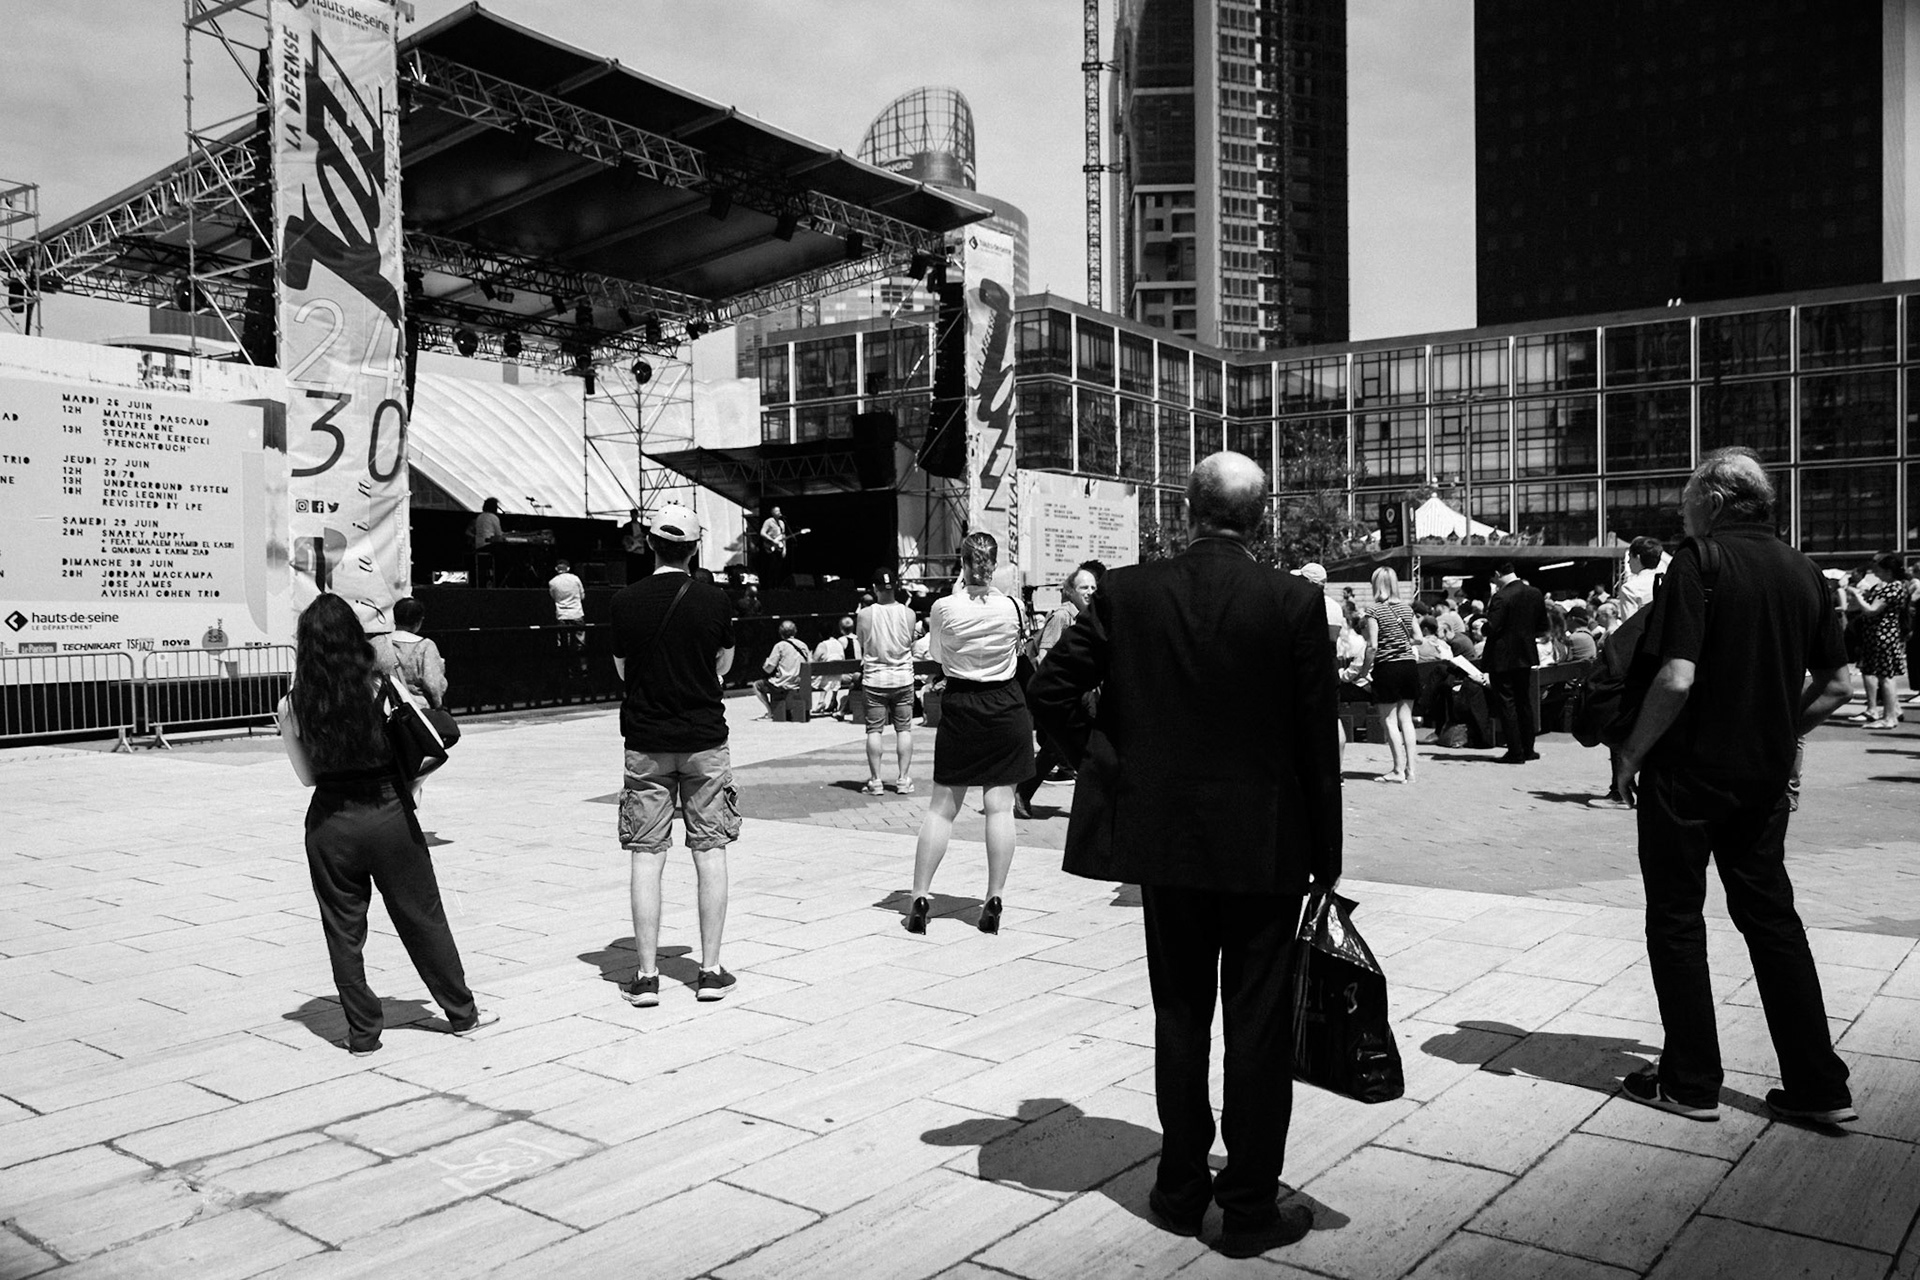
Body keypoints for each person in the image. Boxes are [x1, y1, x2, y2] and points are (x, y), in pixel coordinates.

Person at [1029, 452, 1340, 1259]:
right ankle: (1245, 1205)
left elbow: (1051, 689)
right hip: (1266, 842)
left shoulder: (1128, 594)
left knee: (1180, 1014)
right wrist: (1328, 854)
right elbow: (1316, 739)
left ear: (1188, 511)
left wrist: (1107, 760)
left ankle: (1177, 1187)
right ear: (1260, 517)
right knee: (1258, 1023)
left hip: (1165, 841)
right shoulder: (1294, 600)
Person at [1612, 448, 1855, 1125]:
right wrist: (1777, 729)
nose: (1683, 517)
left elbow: (1677, 677)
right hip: (1763, 779)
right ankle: (1819, 1086)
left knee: (1677, 918)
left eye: (1688, 503)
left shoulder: (1701, 560)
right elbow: (1841, 685)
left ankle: (1690, 1082)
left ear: (1713, 502)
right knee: (1772, 920)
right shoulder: (1805, 570)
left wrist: (1632, 753)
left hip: (1688, 775)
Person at [276, 594, 494, 1055]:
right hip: (387, 812)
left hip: (330, 821)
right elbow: (427, 744)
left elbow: (305, 777)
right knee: (422, 916)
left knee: (343, 930)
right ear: (354, 639)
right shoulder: (382, 686)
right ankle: (461, 1012)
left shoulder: (292, 705)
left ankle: (362, 1035)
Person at [608, 502, 740, 1006]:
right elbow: (722, 665)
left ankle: (645, 977)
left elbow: (623, 671)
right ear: (693, 548)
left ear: (651, 545)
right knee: (710, 851)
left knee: (647, 854)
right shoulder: (714, 600)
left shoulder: (624, 601)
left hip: (646, 741)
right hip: (704, 739)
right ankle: (709, 970)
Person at [901, 532, 1033, 937]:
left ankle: (921, 896)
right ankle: (993, 896)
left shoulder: (944, 607)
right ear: (994, 562)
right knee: (999, 807)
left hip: (962, 705)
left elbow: (937, 654)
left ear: (962, 561)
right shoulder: (1012, 606)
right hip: (1006, 705)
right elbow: (1019, 649)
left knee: (942, 808)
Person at [1015, 563, 1099, 818]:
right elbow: (1044, 657)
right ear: (1070, 591)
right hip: (1069, 695)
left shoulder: (1088, 617)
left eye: (1094, 587)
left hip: (1083, 693)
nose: (1090, 591)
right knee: (1080, 747)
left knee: (1060, 747)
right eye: (1084, 587)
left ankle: (1024, 793)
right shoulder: (1063, 616)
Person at [857, 570, 920, 794]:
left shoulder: (865, 614)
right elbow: (910, 642)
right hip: (902, 677)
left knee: (874, 731)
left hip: (875, 678)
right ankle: (903, 779)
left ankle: (876, 781)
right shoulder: (909, 614)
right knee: (904, 730)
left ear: (874, 588)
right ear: (895, 587)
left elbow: (862, 643)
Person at [1356, 565, 1420, 783]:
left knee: (1390, 721)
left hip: (1388, 666)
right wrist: (1402, 642)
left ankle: (1397, 770)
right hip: (1409, 665)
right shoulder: (1407, 609)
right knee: (1407, 720)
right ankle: (1411, 770)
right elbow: (1418, 637)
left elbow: (1372, 645)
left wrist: (1364, 671)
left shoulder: (1374, 611)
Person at [1484, 559, 1548, 763]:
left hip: (1502, 657)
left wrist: (1481, 626)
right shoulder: (1535, 593)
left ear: (1497, 574)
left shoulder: (1501, 597)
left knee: (1506, 703)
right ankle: (1528, 748)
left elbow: (1492, 627)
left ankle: (1515, 751)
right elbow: (1542, 625)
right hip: (1525, 654)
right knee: (1524, 702)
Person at [1848, 552, 1909, 730]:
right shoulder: (1894, 586)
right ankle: (1892, 712)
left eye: (1879, 570)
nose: (1875, 573)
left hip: (1883, 636)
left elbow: (1871, 610)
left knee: (1885, 677)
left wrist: (1856, 595)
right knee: (1885, 676)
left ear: (1888, 571)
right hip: (1883, 635)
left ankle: (1889, 717)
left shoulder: (1892, 587)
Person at [389, 597, 448, 709]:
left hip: (387, 705)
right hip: (417, 709)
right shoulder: (425, 646)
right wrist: (438, 705)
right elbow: (434, 684)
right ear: (419, 621)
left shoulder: (380, 643)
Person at [755, 619, 809, 718]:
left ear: (780, 633)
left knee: (757, 685)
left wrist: (765, 663)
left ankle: (771, 711)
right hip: (800, 682)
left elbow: (768, 669)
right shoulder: (803, 645)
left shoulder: (779, 646)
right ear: (795, 631)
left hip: (784, 683)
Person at [810, 616, 859, 717]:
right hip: (837, 678)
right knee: (833, 672)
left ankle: (821, 701)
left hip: (824, 679)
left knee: (824, 672)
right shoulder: (839, 643)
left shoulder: (822, 645)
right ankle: (832, 700)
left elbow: (813, 663)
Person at [1614, 536, 1664, 620]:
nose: (1628, 562)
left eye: (1630, 557)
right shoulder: (1669, 582)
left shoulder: (1630, 588)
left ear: (1638, 558)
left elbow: (1629, 626)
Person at [468, 497, 505, 587]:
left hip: (479, 546)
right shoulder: (493, 517)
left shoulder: (479, 517)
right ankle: (501, 581)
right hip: (488, 545)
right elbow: (498, 534)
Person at [760, 506, 790, 587]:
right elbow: (762, 533)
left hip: (779, 548)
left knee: (778, 568)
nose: (779, 512)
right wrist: (772, 540)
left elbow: (783, 536)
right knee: (771, 567)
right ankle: (769, 586)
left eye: (779, 511)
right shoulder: (768, 521)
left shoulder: (782, 523)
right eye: (777, 511)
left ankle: (776, 586)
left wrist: (785, 548)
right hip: (770, 547)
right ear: (773, 513)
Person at [621, 508, 650, 584]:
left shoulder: (642, 527)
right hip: (631, 551)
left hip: (641, 550)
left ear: (637, 515)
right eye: (632, 514)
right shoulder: (626, 526)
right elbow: (624, 538)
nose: (633, 516)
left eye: (635, 514)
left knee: (640, 569)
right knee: (631, 569)